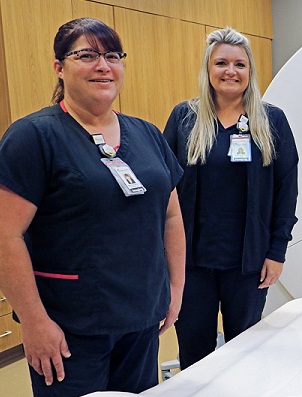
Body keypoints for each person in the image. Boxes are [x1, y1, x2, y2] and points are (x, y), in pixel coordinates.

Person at [0, 18, 185, 396]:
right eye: (87, 55)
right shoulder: (33, 137)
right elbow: (6, 234)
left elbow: (171, 215)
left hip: (141, 318)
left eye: (113, 56)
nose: (103, 66)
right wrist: (35, 323)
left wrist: (175, 289)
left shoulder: (147, 134)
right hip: (69, 327)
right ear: (59, 67)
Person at [163, 27, 298, 369]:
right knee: (194, 350)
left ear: (249, 71)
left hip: (248, 260)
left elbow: (286, 189)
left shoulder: (271, 120)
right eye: (221, 62)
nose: (230, 71)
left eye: (239, 64)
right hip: (192, 261)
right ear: (208, 70)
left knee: (246, 350)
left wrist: (276, 251)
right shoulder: (184, 118)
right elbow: (164, 187)